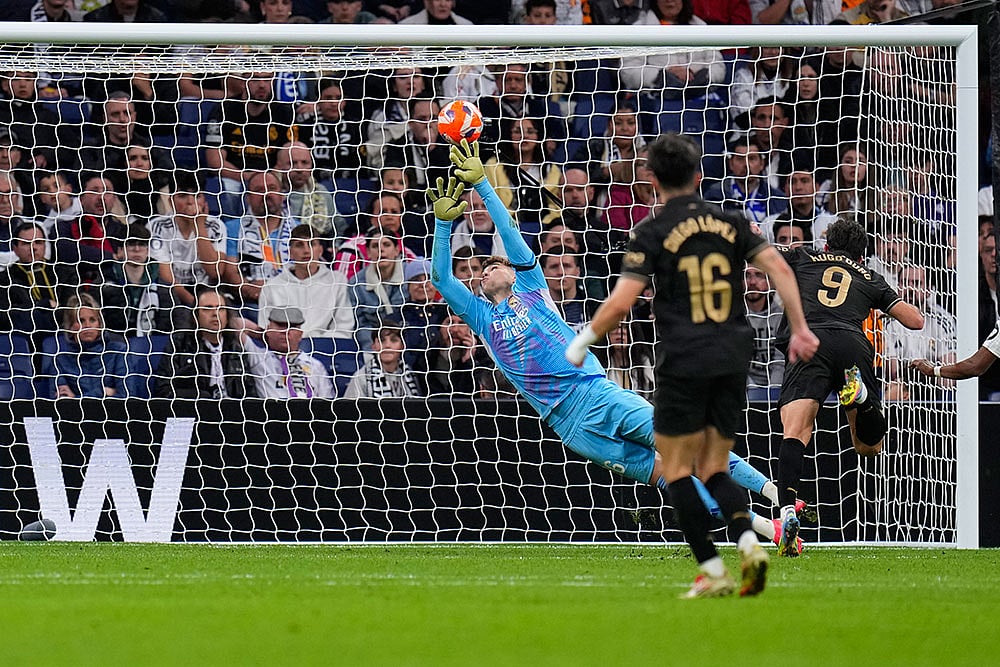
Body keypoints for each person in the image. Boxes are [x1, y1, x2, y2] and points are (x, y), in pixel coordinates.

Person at [432, 138, 804, 597]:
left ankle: (778, 499)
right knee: (671, 476)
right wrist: (444, 223)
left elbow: (510, 234)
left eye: (495, 263)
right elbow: (442, 279)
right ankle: (771, 532)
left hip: (593, 391)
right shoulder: (482, 318)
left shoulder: (531, 287)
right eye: (482, 269)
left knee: (693, 450)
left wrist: (486, 190)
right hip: (567, 425)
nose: (487, 268)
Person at [565, 132, 819, 598]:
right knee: (716, 467)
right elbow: (780, 270)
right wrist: (800, 328)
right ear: (699, 177)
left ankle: (712, 569)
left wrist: (583, 340)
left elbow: (623, 301)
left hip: (683, 358)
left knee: (677, 469)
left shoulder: (653, 231)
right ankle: (749, 543)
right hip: (732, 356)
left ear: (654, 181)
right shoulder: (732, 221)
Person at [770, 215, 923, 556]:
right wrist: (882, 304)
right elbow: (916, 321)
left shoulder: (803, 256)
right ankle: (865, 399)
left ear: (826, 244)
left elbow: (762, 254)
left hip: (808, 340)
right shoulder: (870, 276)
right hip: (852, 343)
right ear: (860, 255)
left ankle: (785, 516)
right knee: (868, 448)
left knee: (794, 431)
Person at [153, 287, 258, 399]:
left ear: (227, 316)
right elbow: (163, 389)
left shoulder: (236, 348)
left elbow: (249, 393)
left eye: (221, 309)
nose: (215, 314)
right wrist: (201, 397)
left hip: (232, 412)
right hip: (194, 410)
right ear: (195, 316)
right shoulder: (180, 344)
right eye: (207, 308)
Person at [259, 223, 355, 339]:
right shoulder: (272, 286)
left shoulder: (338, 281)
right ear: (290, 252)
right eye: (299, 245)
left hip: (326, 350)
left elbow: (343, 328)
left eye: (311, 244)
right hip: (284, 350)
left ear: (320, 250)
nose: (306, 251)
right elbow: (266, 329)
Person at [42, 292, 128, 399]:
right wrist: (103, 391)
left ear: (100, 324)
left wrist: (76, 398)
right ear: (70, 326)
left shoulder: (118, 352)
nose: (87, 326)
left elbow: (126, 397)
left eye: (92, 320)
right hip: (74, 416)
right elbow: (61, 404)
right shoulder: (60, 361)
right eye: (81, 320)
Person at [241, 305, 335, 398]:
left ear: (300, 334)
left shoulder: (316, 365)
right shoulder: (258, 356)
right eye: (280, 325)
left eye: (292, 327)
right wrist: (262, 334)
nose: (285, 331)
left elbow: (328, 401)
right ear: (268, 328)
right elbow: (235, 323)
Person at [343, 319, 423, 398]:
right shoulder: (361, 377)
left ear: (402, 346)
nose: (387, 345)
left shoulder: (410, 374)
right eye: (382, 340)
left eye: (394, 340)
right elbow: (350, 409)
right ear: (373, 346)